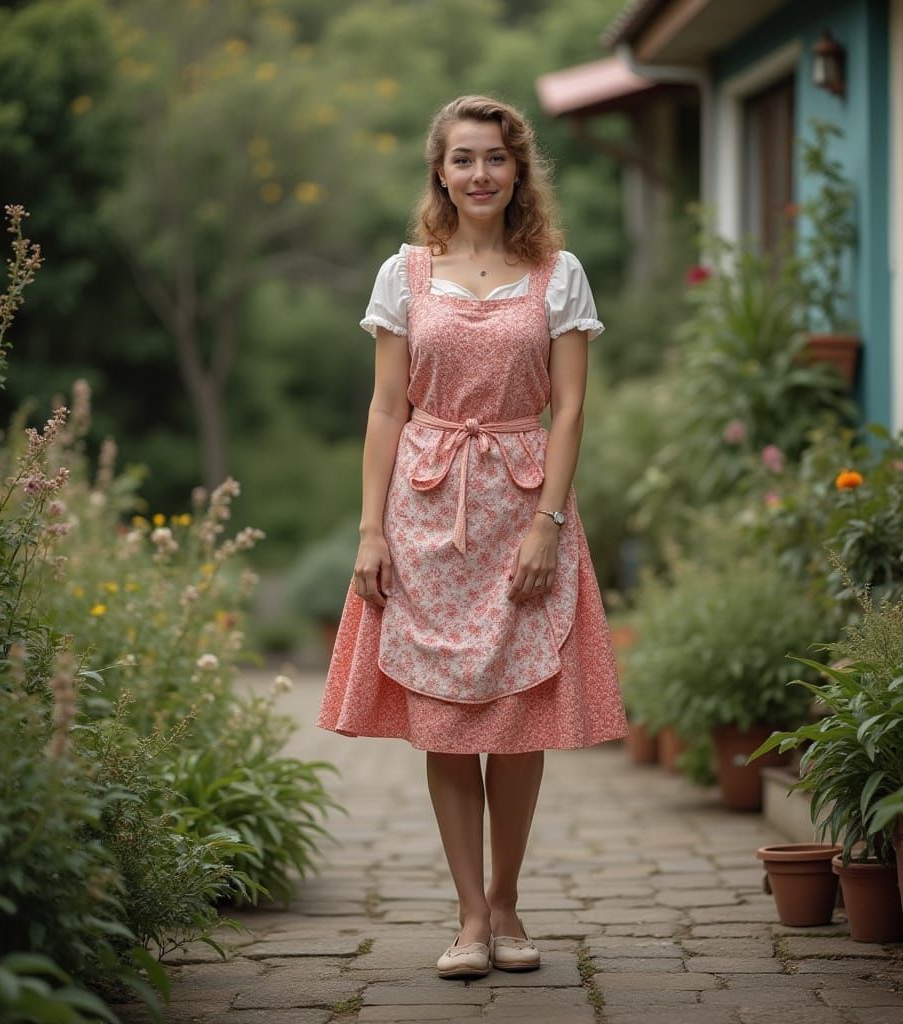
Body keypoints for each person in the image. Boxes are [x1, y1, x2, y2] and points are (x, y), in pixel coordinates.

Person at [316, 94, 628, 980]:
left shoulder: (558, 272)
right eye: (463, 159)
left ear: (518, 170)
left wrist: (548, 523)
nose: (480, 174)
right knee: (446, 721)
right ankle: (466, 915)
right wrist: (371, 530)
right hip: (423, 510)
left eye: (495, 158)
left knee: (520, 715)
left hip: (523, 505)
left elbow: (568, 408)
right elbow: (386, 405)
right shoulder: (404, 273)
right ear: (440, 173)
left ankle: (508, 902)